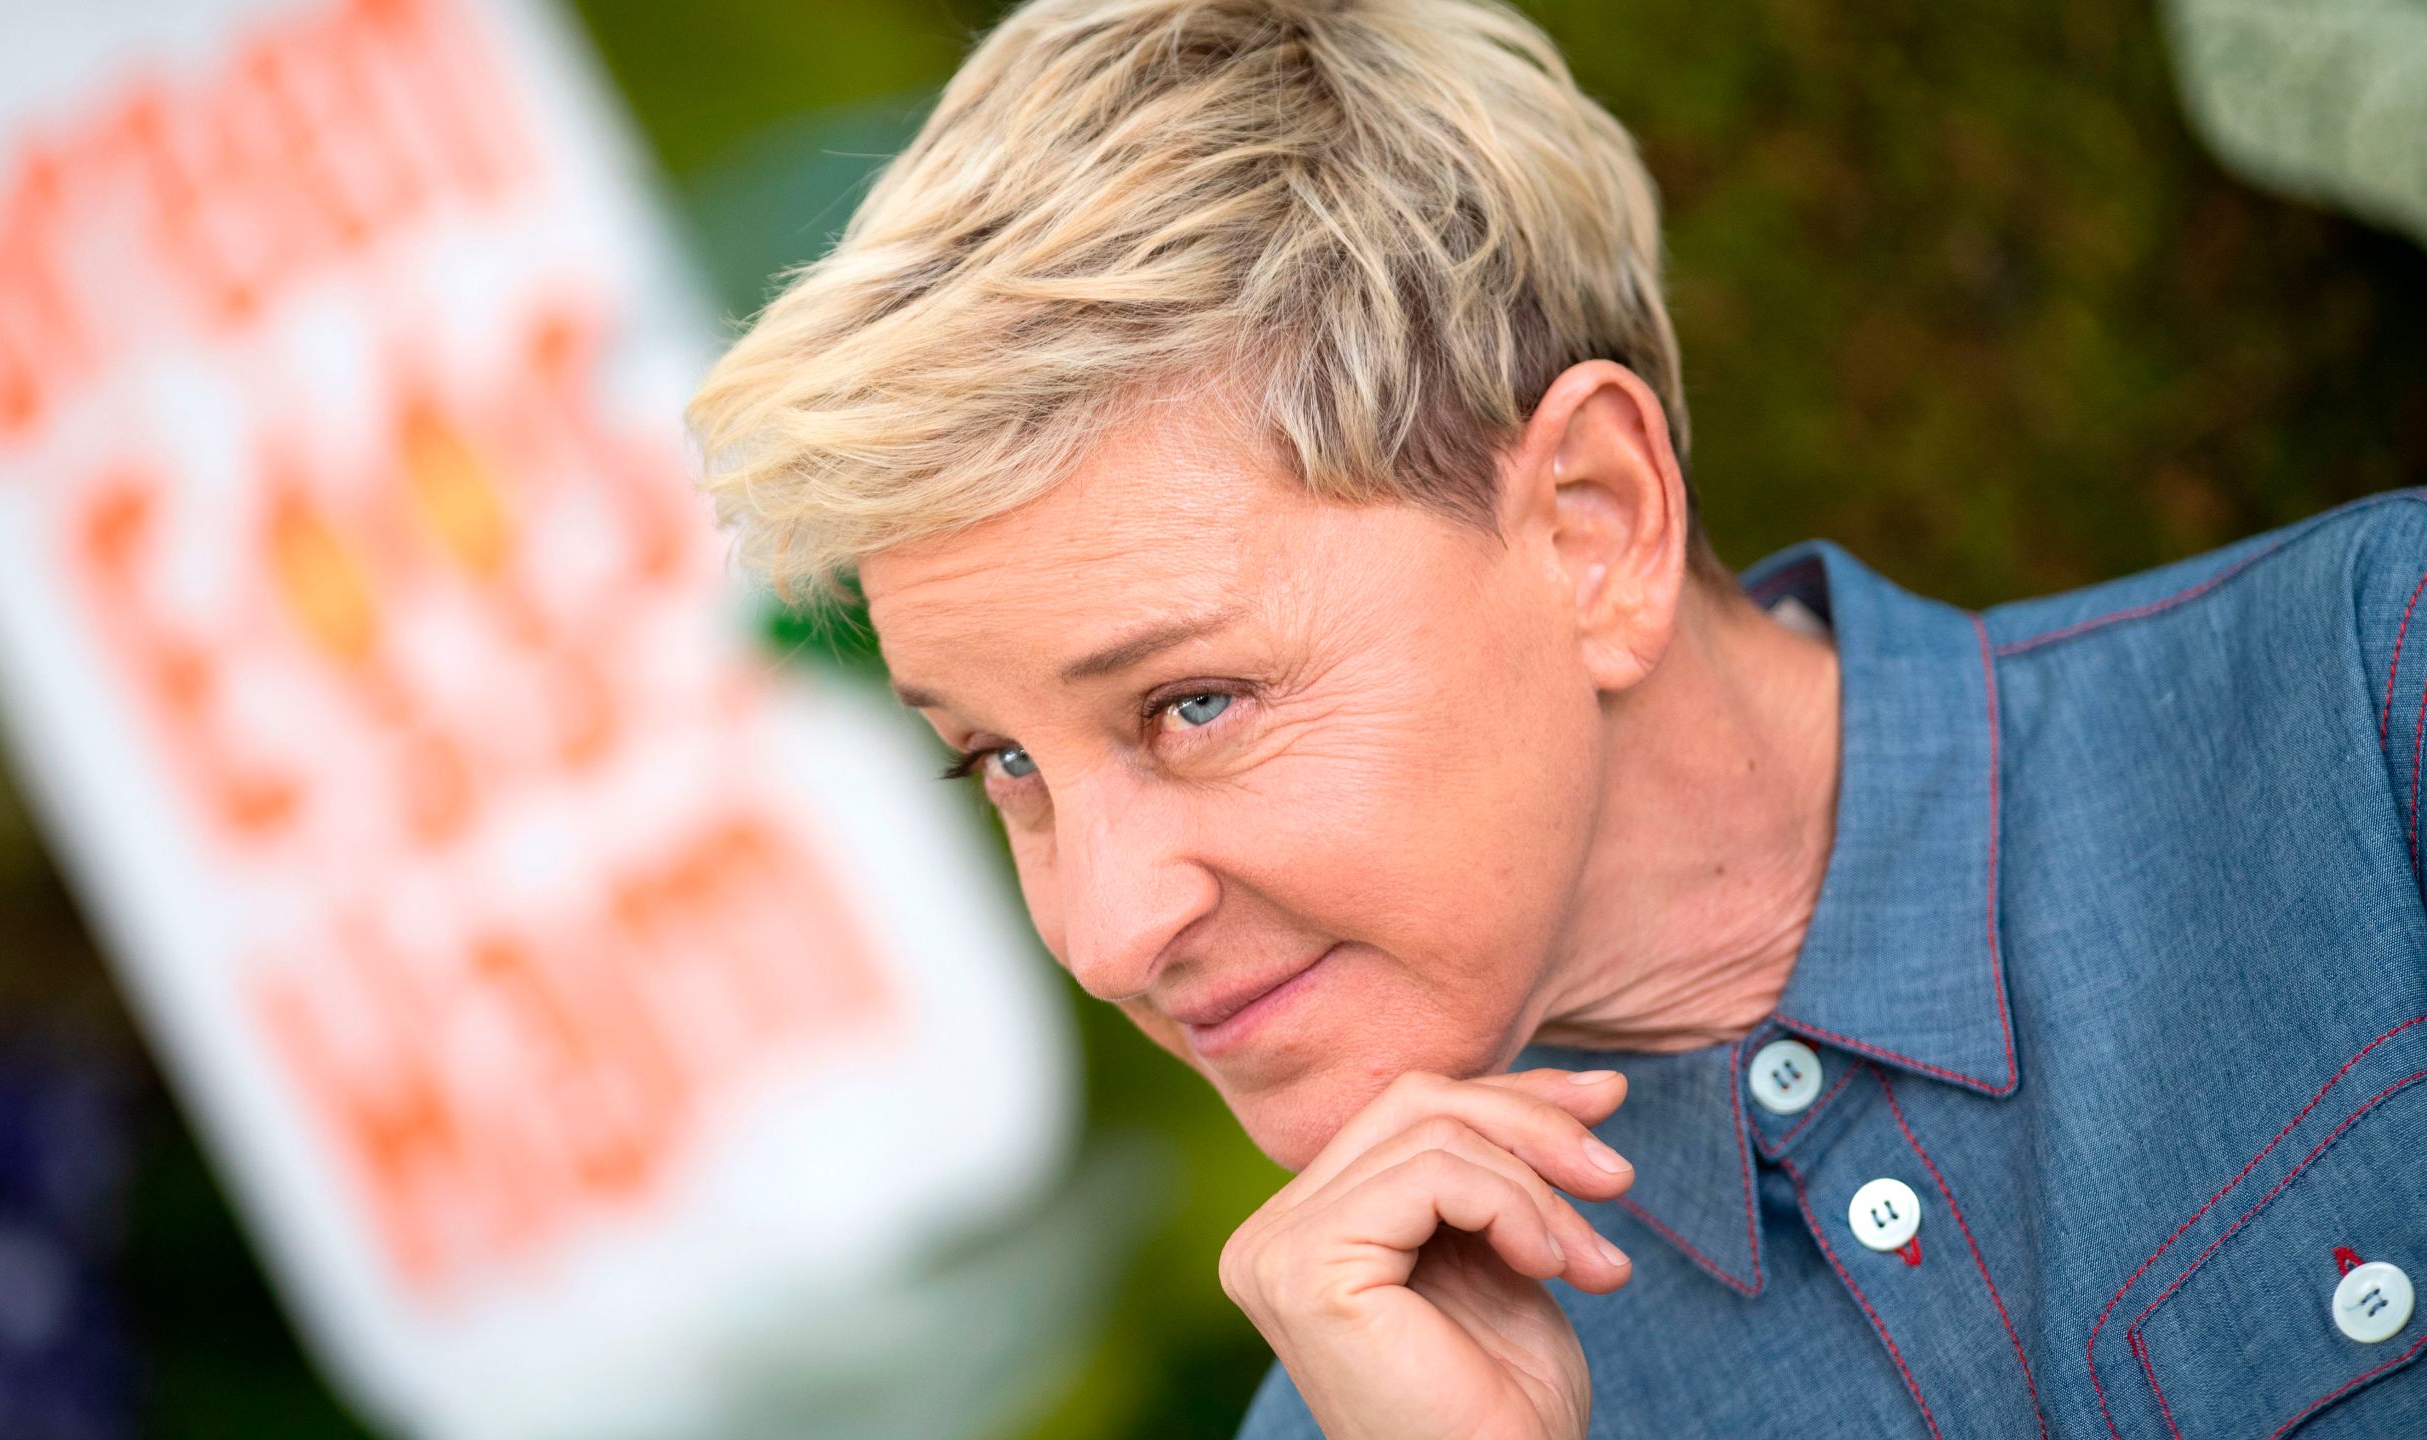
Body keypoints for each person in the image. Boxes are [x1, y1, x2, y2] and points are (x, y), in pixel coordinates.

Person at [685, 0, 2427, 1433]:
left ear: (1595, 528)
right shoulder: (1369, 1411)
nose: (1105, 927)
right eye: (1000, 762)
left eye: (1192, 703)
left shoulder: (2377, 707)